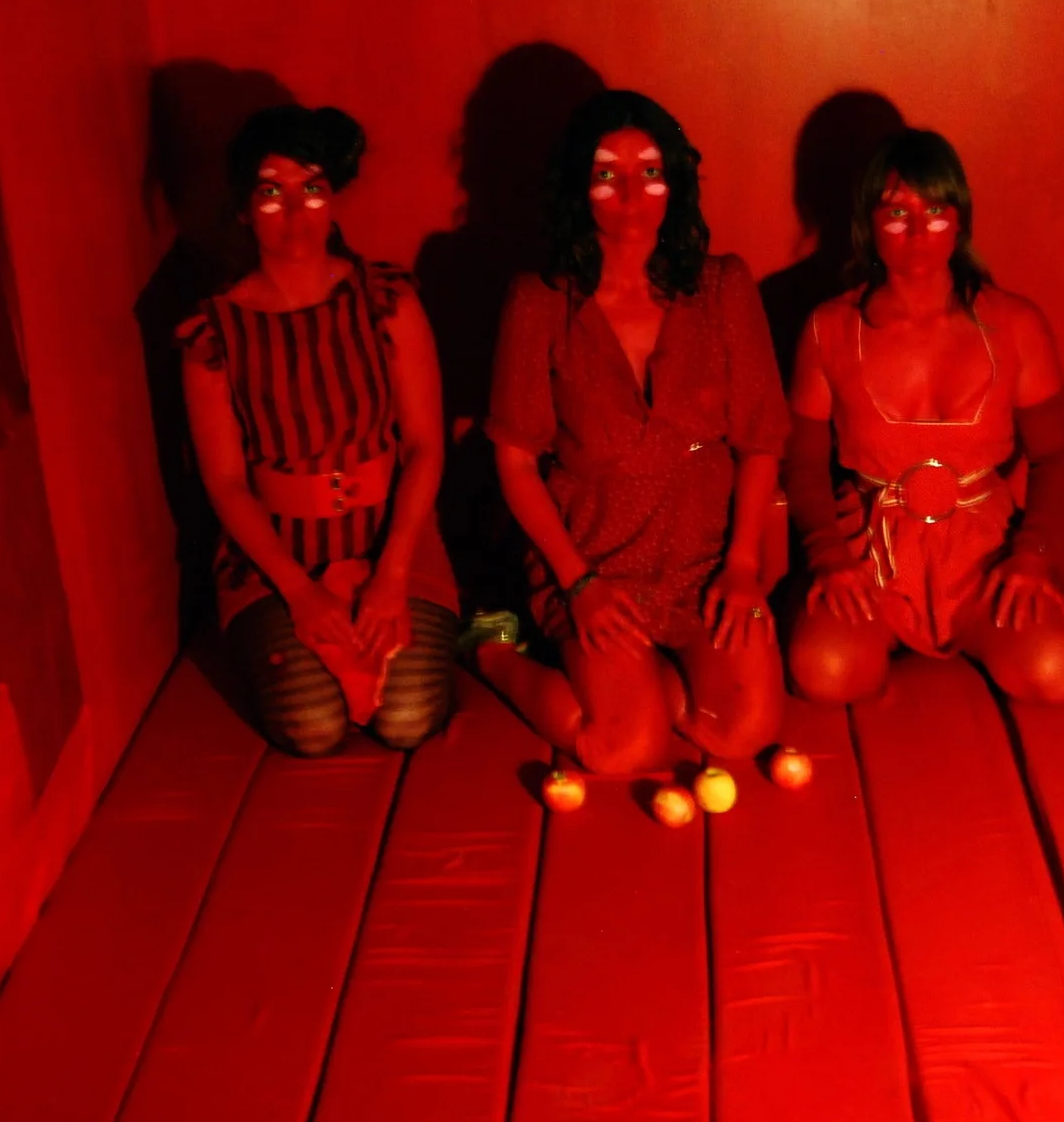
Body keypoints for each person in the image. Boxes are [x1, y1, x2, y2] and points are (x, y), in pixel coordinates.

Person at [471, 90, 789, 774]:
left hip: (706, 561)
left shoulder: (723, 287)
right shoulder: (539, 300)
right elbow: (515, 461)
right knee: (623, 750)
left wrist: (742, 565)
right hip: (594, 562)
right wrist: (577, 583)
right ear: (578, 185)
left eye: (649, 171)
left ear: (674, 181)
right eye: (606, 173)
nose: (630, 194)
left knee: (744, 730)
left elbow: (762, 440)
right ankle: (495, 652)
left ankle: (652, 686)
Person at [178, 104, 458, 755]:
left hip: (391, 538)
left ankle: (483, 636)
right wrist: (300, 593)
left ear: (332, 198)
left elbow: (425, 446)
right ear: (244, 209)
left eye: (312, 188)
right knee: (311, 726)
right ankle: (278, 642)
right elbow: (224, 481)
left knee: (408, 717)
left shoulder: (387, 300)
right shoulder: (213, 334)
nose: (295, 212)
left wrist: (392, 574)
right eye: (271, 192)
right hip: (276, 556)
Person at [783, 127, 1064, 704]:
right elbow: (801, 457)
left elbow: (1057, 455)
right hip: (871, 555)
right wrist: (827, 555)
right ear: (869, 223)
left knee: (1058, 671)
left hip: (982, 554)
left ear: (960, 220)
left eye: (936, 211)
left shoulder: (1016, 324)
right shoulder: (829, 328)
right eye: (897, 212)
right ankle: (869, 637)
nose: (918, 231)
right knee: (825, 671)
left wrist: (1032, 554)